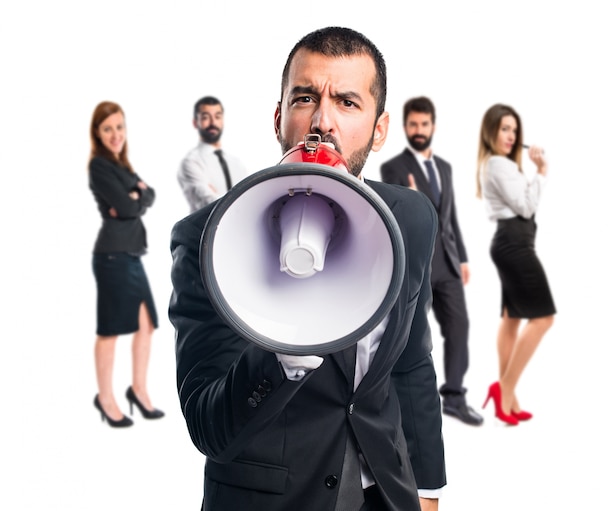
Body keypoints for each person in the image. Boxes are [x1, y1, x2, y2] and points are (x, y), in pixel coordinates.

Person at [169, 27, 446, 510]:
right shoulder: (208, 238)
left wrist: (427, 488)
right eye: (304, 99)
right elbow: (208, 427)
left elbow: (411, 363)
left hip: (388, 493)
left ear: (380, 130)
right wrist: (283, 352)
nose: (323, 121)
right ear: (279, 118)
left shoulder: (412, 217)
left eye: (347, 102)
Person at [381, 96, 483, 426]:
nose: (419, 130)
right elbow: (400, 219)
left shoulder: (445, 168)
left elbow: (450, 218)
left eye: (424, 124)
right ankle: (399, 399)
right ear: (405, 126)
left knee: (459, 327)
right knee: (410, 334)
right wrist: (416, 197)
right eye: (413, 124)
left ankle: (454, 396)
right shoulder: (393, 168)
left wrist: (463, 258)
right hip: (416, 264)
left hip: (449, 264)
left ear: (433, 126)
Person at [476, 103, 556, 426]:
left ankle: (508, 399)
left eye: (513, 129)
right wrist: (542, 172)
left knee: (512, 318)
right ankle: (504, 388)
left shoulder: (503, 165)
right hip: (514, 242)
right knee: (543, 318)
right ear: (491, 131)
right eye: (504, 128)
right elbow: (526, 206)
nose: (510, 135)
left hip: (515, 241)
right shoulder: (497, 164)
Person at [88, 101, 164, 428]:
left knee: (147, 324)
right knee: (110, 330)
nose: (115, 134)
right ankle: (105, 398)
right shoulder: (100, 166)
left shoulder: (122, 165)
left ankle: (139, 389)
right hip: (112, 256)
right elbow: (129, 206)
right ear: (98, 133)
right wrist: (134, 197)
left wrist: (137, 197)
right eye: (108, 129)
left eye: (119, 127)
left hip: (131, 254)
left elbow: (149, 196)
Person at [177, 96, 248, 212]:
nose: (213, 122)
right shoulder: (190, 162)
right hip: (206, 229)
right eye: (205, 117)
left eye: (217, 116)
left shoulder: (236, 163)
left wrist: (219, 196)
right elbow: (208, 203)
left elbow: (248, 199)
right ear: (195, 122)